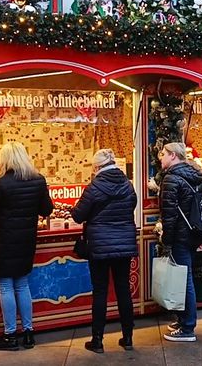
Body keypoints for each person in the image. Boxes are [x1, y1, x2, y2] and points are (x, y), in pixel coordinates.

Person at [0, 142, 54, 351]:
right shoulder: (38, 180)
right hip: (26, 241)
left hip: (3, 242)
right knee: (22, 285)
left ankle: (10, 335)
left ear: (4, 160)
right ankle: (29, 333)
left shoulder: (0, 183)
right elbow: (47, 210)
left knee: (6, 287)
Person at [71, 149, 138, 353]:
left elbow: (78, 216)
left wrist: (77, 208)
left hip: (99, 245)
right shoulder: (128, 185)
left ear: (97, 167)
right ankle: (127, 338)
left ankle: (97, 340)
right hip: (124, 244)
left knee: (100, 291)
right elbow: (132, 206)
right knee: (123, 290)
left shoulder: (94, 187)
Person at [157, 142, 202, 342]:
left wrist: (166, 241)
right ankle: (184, 319)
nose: (161, 157)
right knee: (184, 278)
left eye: (163, 154)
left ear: (173, 156)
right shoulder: (194, 176)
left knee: (184, 281)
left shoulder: (171, 179)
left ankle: (187, 328)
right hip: (193, 234)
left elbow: (169, 216)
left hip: (180, 236)